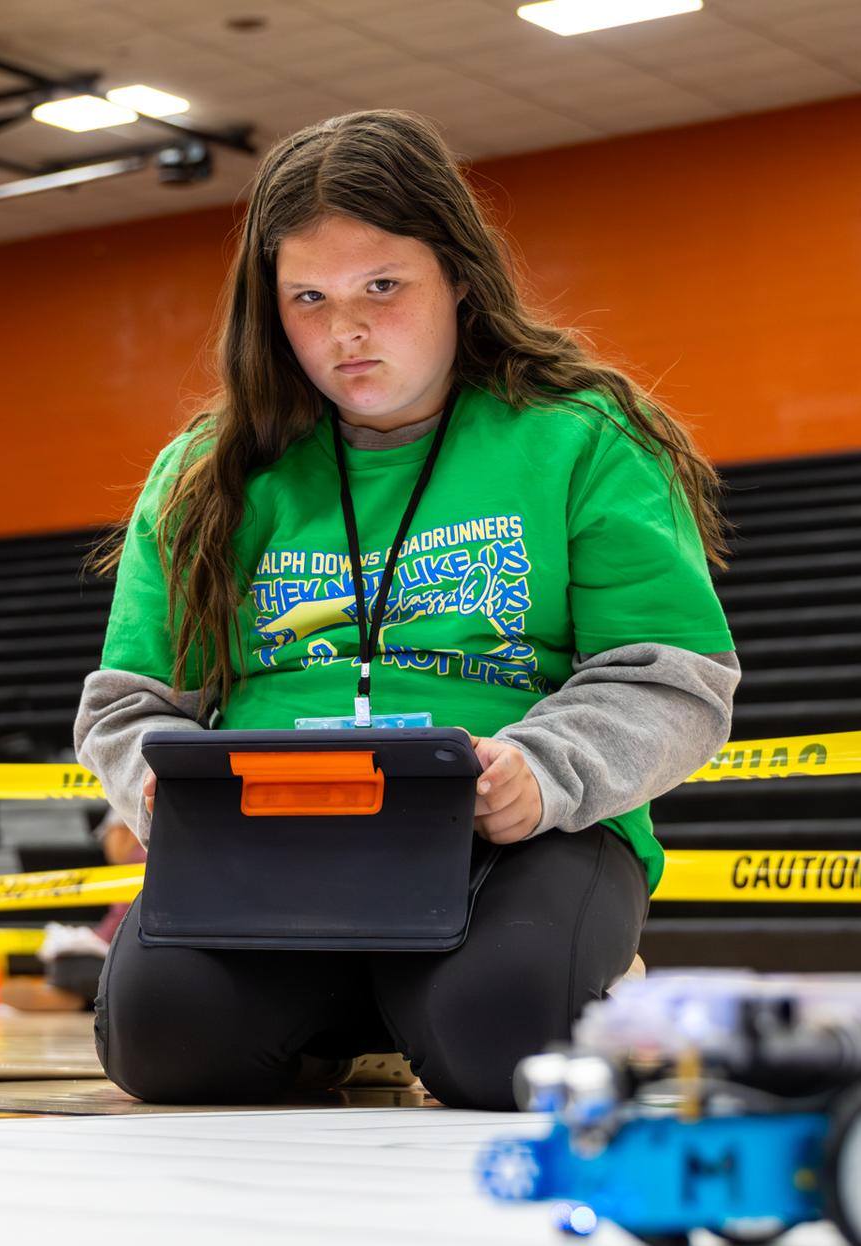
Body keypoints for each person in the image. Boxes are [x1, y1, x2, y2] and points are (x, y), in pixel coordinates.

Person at [75, 110, 741, 1111]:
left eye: (383, 287)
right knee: (164, 1041)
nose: (347, 331)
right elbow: (129, 704)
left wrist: (544, 770)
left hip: (511, 840)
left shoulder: (583, 438)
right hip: (276, 848)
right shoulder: (204, 476)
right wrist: (155, 788)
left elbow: (674, 676)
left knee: (507, 1044)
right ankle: (374, 1019)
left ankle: (501, 995)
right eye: (309, 298)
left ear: (460, 276)